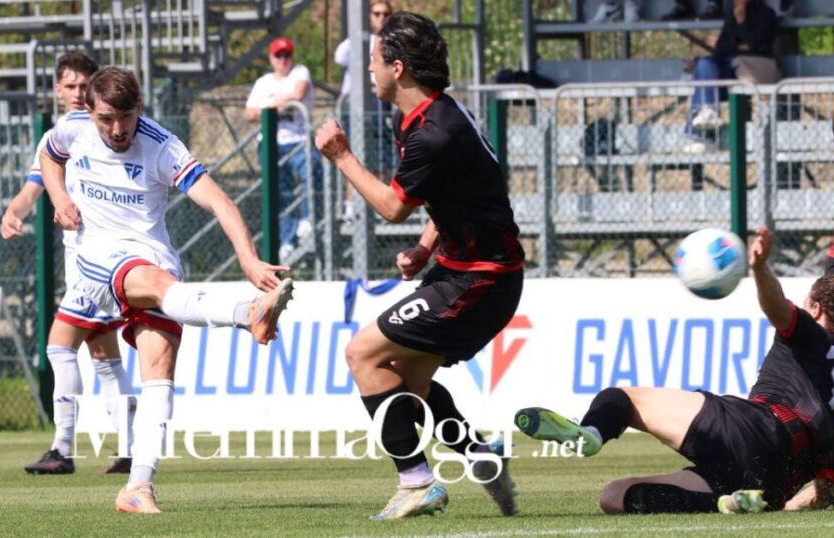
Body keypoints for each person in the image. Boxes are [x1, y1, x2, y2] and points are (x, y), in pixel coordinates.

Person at [40, 66, 294, 514]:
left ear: (139, 107)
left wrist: (249, 259)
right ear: (90, 112)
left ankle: (138, 486)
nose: (117, 129)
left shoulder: (161, 146)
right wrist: (59, 198)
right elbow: (48, 153)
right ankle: (245, 313)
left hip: (153, 254)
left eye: (126, 117)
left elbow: (220, 200)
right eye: (106, 119)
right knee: (156, 289)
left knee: (159, 369)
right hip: (97, 256)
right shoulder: (73, 128)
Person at [315, 12, 524, 521]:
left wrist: (341, 156)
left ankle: (416, 482)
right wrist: (426, 248)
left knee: (362, 355)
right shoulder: (427, 118)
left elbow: (393, 207)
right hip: (464, 270)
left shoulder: (434, 132)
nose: (369, 68)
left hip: (481, 279)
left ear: (398, 67)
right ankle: (480, 455)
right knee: (410, 386)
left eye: (374, 59)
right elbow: (454, 193)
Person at [515, 225, 834, 514]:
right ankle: (726, 503)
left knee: (624, 398)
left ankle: (592, 432)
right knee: (614, 497)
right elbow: (825, 494)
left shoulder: (812, 336)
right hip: (775, 483)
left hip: (756, 429)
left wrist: (760, 268)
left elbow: (775, 306)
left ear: (816, 309)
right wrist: (784, 504)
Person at [1, 51, 134, 476]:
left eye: (84, 85)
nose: (78, 93)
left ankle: (62, 448)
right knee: (105, 358)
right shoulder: (59, 137)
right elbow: (33, 187)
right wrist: (14, 213)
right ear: (58, 90)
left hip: (99, 260)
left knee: (60, 347)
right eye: (71, 86)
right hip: (80, 260)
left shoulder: (104, 132)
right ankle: (132, 448)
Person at [243, 37, 322, 263]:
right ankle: (288, 238)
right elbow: (248, 113)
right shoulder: (263, 82)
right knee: (279, 192)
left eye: (287, 55)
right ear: (271, 58)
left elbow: (298, 93)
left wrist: (268, 108)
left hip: (298, 140)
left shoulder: (300, 72)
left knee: (312, 174)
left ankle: (308, 219)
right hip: (270, 143)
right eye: (279, 55)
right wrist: (279, 106)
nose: (283, 59)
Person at [683, 0, 777, 153]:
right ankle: (707, 114)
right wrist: (739, 44)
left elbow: (757, 46)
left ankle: (699, 136)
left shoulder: (766, 14)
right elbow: (722, 48)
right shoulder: (730, 14)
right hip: (728, 66)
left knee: (705, 81)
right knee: (704, 64)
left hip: (748, 69)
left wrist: (741, 22)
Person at [333, 0, 396, 224]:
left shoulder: (394, 42)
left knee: (381, 156)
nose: (381, 18)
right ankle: (351, 207)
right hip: (356, 105)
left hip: (381, 103)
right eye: (376, 14)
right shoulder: (357, 41)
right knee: (354, 155)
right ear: (368, 16)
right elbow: (339, 57)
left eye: (386, 14)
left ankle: (381, 205)